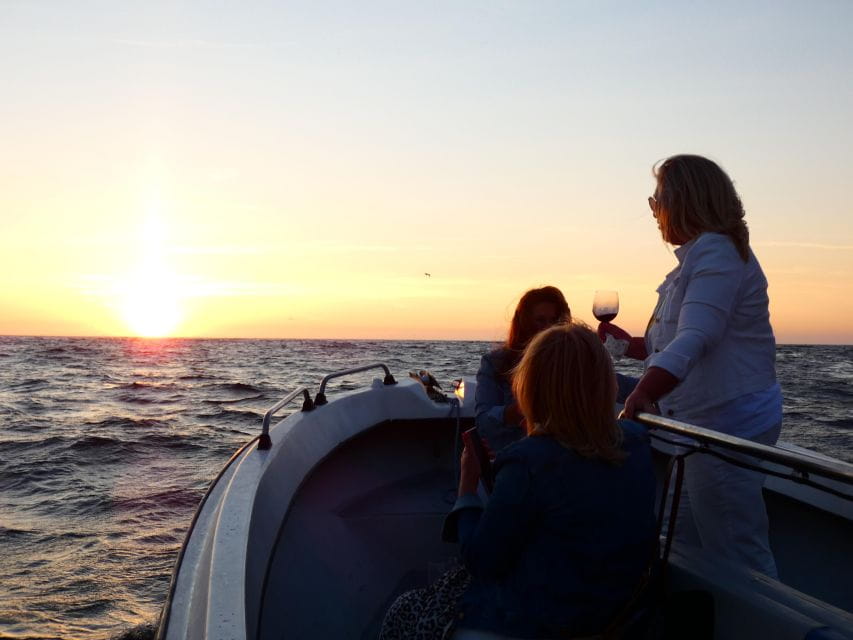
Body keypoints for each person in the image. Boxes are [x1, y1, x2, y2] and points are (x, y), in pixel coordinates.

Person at [380, 323, 657, 640]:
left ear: (533, 387)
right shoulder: (635, 441)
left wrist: (467, 489)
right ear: (605, 384)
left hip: (539, 623)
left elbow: (481, 561)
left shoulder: (528, 462)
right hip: (617, 614)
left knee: (403, 610)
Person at [598, 154, 783, 578]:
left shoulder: (716, 254)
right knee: (675, 539)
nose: (653, 211)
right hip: (698, 428)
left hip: (724, 425)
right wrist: (626, 347)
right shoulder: (700, 258)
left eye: (656, 199)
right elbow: (673, 342)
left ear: (682, 200)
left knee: (737, 548)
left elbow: (696, 338)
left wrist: (643, 394)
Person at [475, 286, 570, 451]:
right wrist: (525, 408)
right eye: (540, 320)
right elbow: (483, 424)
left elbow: (612, 384)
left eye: (554, 321)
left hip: (563, 460)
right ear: (524, 324)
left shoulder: (572, 362)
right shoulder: (495, 363)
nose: (548, 328)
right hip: (515, 460)